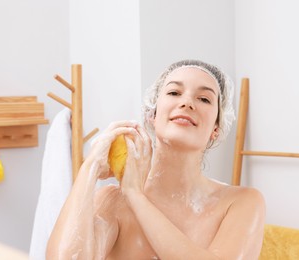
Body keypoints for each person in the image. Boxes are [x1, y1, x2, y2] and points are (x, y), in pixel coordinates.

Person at [46, 59, 265, 259]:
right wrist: (91, 166)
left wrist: (135, 195)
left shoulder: (241, 203)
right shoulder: (113, 201)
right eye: (173, 93)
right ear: (152, 115)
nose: (187, 102)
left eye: (204, 98)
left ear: (216, 129)